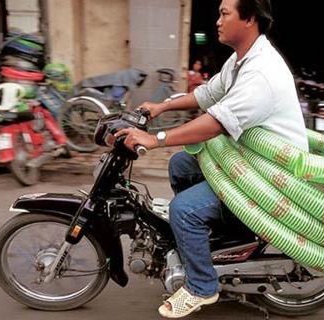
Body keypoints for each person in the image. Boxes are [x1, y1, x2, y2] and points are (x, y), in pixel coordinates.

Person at [114, 0, 307, 317]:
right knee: (181, 164)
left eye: (224, 13)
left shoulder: (262, 73)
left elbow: (215, 122)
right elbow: (206, 94)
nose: (217, 20)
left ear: (249, 19)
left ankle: (202, 287)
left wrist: (156, 138)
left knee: (183, 210)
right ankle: (211, 244)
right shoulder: (241, 60)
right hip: (248, 162)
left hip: (268, 178)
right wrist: (161, 107)